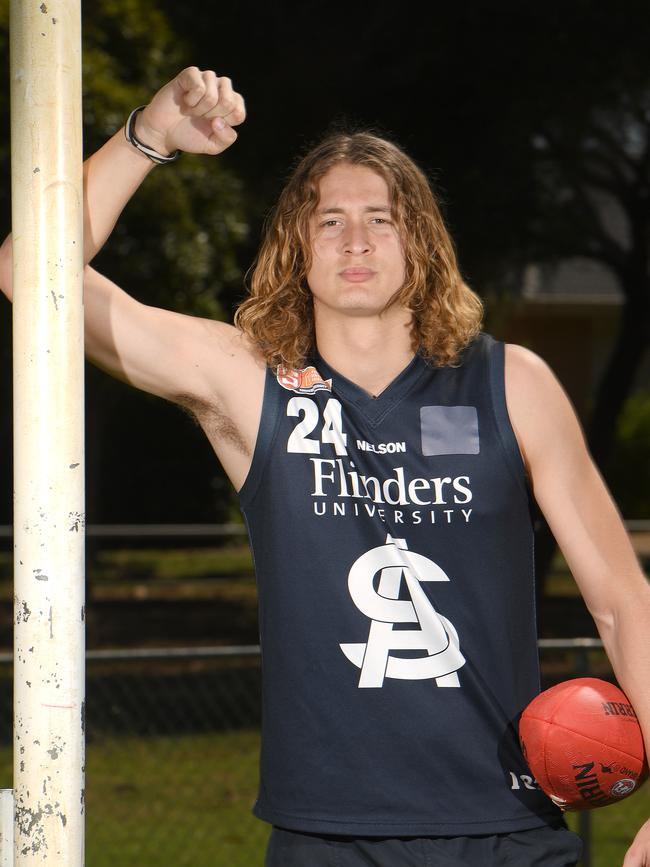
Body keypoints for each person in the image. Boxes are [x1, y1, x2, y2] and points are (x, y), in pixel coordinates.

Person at [1, 67, 649, 867]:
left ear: (422, 241)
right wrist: (149, 137)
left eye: (382, 218)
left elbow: (623, 599)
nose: (355, 240)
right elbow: (29, 275)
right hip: (330, 838)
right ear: (294, 248)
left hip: (507, 829)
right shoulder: (250, 381)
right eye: (329, 219)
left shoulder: (512, 383)